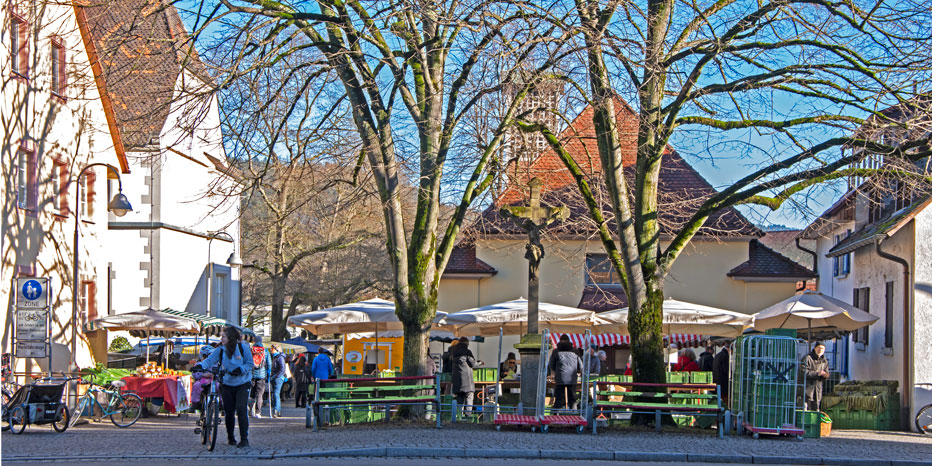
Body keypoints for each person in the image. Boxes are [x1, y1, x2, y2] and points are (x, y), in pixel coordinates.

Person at [193, 326, 254, 448]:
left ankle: (244, 438)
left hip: (242, 383)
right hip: (227, 383)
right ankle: (231, 437)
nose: (222, 339)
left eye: (224, 336)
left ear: (230, 337)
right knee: (229, 411)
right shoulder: (220, 350)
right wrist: (200, 366)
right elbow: (209, 361)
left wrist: (240, 369)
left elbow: (250, 364)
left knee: (241, 409)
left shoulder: (243, 348)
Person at [548, 334, 582, 410]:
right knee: (572, 400)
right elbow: (580, 365)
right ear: (569, 341)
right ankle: (574, 416)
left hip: (560, 378)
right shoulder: (575, 351)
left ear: (559, 341)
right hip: (572, 378)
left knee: (558, 399)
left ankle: (556, 417)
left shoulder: (555, 351)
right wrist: (577, 371)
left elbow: (551, 364)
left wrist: (556, 371)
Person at [450, 337, 476, 416]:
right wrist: (479, 363)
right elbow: (473, 364)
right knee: (469, 396)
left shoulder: (453, 352)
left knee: (459, 398)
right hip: (467, 380)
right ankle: (468, 416)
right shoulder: (467, 352)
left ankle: (459, 416)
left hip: (457, 380)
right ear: (466, 343)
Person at [802, 341, 830, 411]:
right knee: (805, 409)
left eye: (822, 348)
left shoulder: (824, 361)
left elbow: (827, 373)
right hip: (807, 389)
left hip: (818, 390)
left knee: (816, 410)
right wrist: (818, 374)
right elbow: (804, 372)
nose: (820, 350)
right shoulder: (807, 358)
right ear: (814, 348)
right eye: (819, 348)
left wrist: (825, 375)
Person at [249, 336, 271, 419]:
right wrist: (268, 373)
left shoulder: (251, 350)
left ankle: (251, 410)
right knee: (259, 394)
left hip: (252, 374)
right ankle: (258, 412)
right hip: (262, 375)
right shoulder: (265, 351)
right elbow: (269, 364)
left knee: (251, 393)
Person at [309, 348, 335, 420]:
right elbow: (330, 368)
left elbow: (313, 369)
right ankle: (323, 404)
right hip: (325, 378)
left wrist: (314, 376)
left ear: (318, 352)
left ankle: (317, 405)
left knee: (317, 392)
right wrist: (329, 374)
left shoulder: (316, 359)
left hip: (317, 378)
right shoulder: (327, 359)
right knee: (323, 391)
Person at [269, 345, 287, 418]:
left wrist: (276, 376)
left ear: (277, 350)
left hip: (278, 378)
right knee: (275, 394)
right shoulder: (275, 357)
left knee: (276, 393)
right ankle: (277, 410)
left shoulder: (280, 357)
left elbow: (282, 368)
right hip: (275, 377)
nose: (271, 350)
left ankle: (276, 410)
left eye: (272, 348)